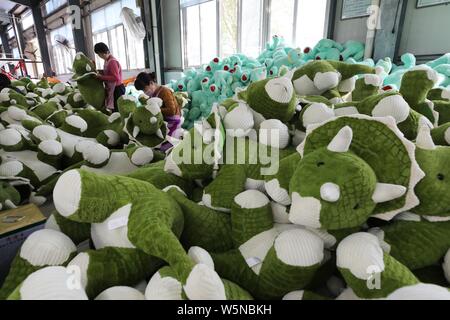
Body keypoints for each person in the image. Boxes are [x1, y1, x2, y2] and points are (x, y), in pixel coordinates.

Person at [134, 72, 182, 138]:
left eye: (145, 89)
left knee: (165, 143)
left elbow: (172, 111)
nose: (145, 92)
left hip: (172, 121)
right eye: (143, 91)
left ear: (151, 83)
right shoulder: (152, 95)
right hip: (162, 120)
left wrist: (155, 110)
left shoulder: (165, 92)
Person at [94, 42, 125, 112]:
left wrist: (101, 77)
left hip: (117, 89)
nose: (99, 56)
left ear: (103, 52)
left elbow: (116, 77)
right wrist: (100, 71)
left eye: (99, 54)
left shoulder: (112, 62)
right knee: (114, 109)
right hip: (114, 88)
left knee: (117, 110)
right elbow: (108, 72)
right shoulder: (107, 60)